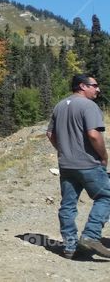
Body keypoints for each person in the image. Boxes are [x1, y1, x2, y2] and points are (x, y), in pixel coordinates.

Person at [47, 74, 110, 259]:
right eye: (94, 85)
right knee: (106, 196)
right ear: (83, 86)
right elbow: (93, 134)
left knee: (68, 205)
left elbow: (50, 133)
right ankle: (90, 236)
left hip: (66, 165)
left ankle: (70, 246)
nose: (98, 89)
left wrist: (64, 150)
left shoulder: (60, 105)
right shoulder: (89, 106)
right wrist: (104, 156)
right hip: (88, 164)